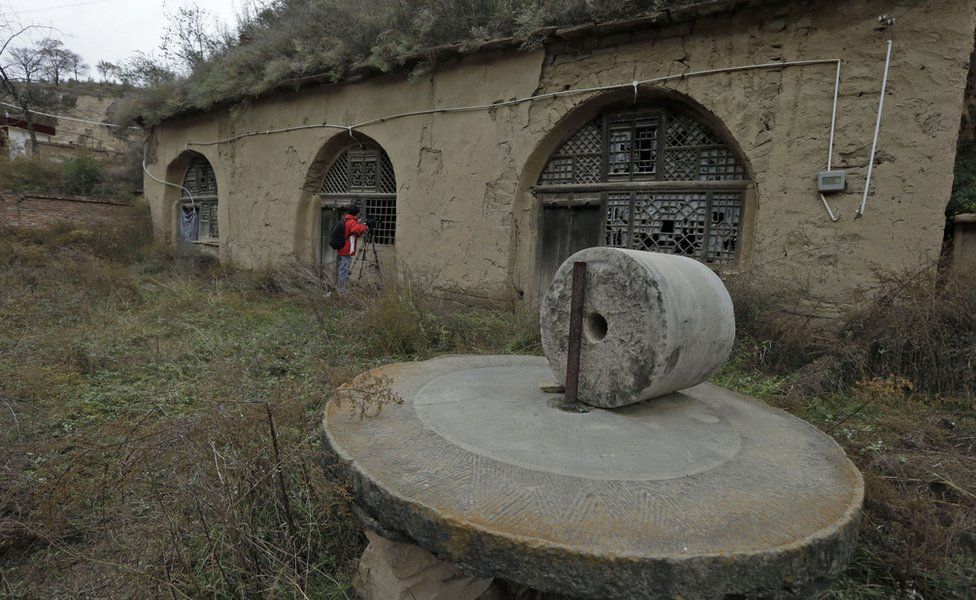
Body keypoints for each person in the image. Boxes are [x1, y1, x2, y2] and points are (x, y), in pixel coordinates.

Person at [337, 205, 369, 290]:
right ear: (356, 213)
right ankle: (341, 291)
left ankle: (340, 288)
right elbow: (356, 229)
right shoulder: (352, 222)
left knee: (342, 269)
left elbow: (353, 233)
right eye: (358, 213)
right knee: (344, 271)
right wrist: (365, 227)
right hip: (346, 250)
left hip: (341, 249)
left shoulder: (345, 220)